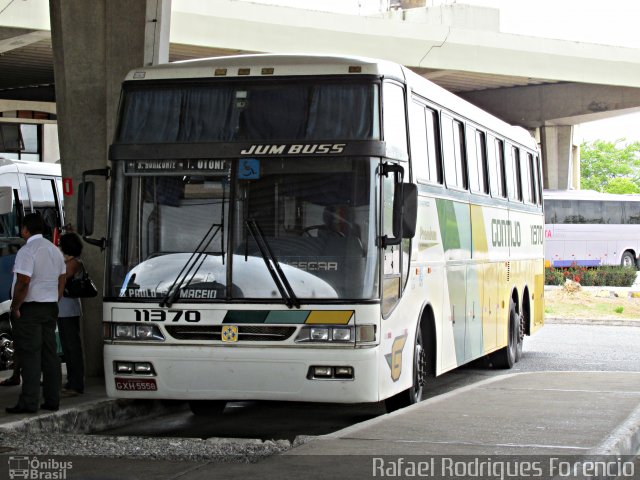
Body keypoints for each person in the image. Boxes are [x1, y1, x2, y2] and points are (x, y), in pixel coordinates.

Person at [5, 213, 65, 413]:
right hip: (49, 306)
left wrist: (15, 307)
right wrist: (55, 297)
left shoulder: (27, 250)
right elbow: (62, 277)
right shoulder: (54, 250)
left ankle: (28, 402)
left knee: (31, 355)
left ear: (25, 229)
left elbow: (23, 282)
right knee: (50, 355)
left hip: (30, 308)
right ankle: (52, 400)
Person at [57, 232, 85, 396]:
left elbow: (62, 278)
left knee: (72, 347)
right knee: (67, 347)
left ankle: (76, 384)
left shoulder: (74, 263)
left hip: (69, 309)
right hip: (63, 309)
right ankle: (72, 381)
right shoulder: (68, 261)